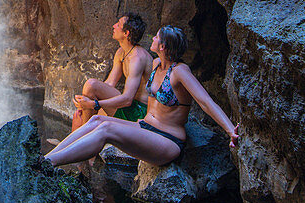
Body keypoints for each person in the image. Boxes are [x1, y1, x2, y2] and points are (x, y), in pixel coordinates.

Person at [45, 25, 238, 167]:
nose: (152, 38)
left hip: (167, 140)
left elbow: (205, 102)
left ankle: (49, 164)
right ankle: (45, 159)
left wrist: (230, 130)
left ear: (162, 46)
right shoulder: (155, 65)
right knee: (97, 120)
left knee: (106, 130)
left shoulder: (180, 72)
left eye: (156, 37)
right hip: (145, 127)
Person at [70, 12, 152, 134]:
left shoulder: (137, 58)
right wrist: (86, 101)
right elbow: (109, 84)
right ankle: (81, 140)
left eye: (118, 24)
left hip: (138, 113)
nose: (114, 26)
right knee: (86, 105)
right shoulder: (121, 52)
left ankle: (80, 139)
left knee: (91, 85)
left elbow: (128, 99)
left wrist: (93, 104)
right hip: (128, 106)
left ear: (126, 33)